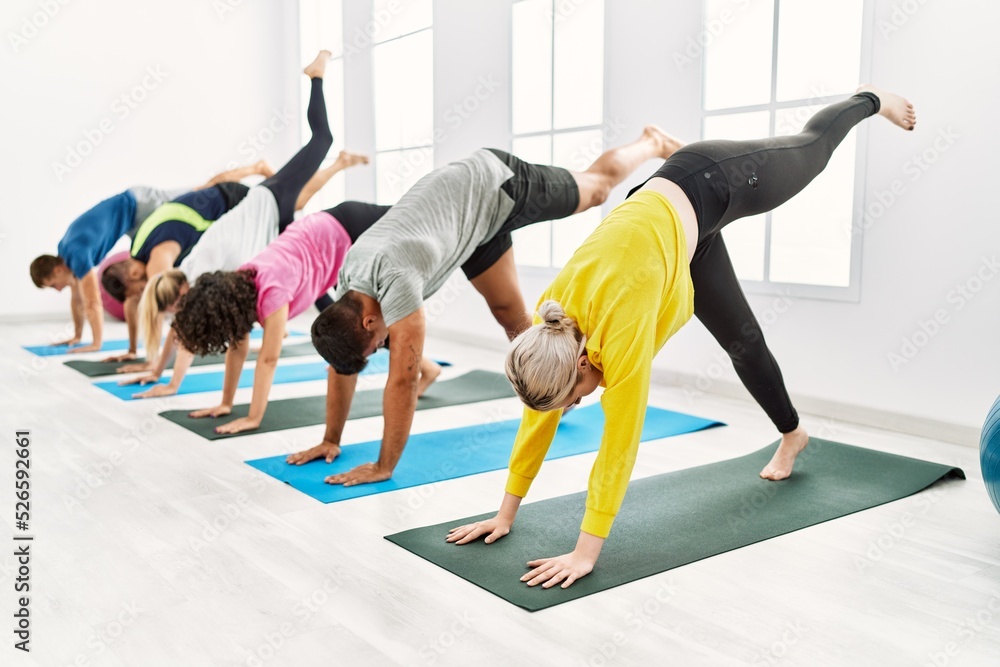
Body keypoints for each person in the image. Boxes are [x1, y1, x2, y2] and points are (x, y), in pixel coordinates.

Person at [445, 86, 916, 590]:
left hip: (715, 179)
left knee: (812, 147)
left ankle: (872, 99)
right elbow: (538, 417)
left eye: (576, 398)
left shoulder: (619, 332)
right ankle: (794, 434)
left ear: (582, 364)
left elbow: (619, 448)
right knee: (744, 343)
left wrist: (585, 553)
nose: (578, 404)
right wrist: (505, 513)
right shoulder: (551, 328)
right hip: (674, 234)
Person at [293, 126, 685, 485]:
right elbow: (342, 364)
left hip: (495, 183)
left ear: (367, 321)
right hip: (468, 228)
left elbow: (403, 380)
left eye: (376, 342)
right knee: (513, 319)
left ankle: (652, 142)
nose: (383, 344)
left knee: (596, 190)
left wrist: (384, 467)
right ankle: (558, 390)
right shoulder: (349, 290)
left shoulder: (395, 282)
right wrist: (331, 440)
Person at [102, 50, 340, 367]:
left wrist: (161, 371)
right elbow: (170, 321)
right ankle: (339, 325)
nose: (175, 314)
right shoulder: (166, 260)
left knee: (322, 140)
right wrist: (152, 364)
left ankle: (316, 75)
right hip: (253, 209)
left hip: (256, 201)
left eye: (139, 289)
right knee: (316, 269)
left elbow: (177, 321)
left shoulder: (176, 264)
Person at [170, 202, 441, 434]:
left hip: (349, 227)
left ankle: (421, 367)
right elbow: (237, 348)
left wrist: (253, 418)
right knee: (361, 316)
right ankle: (427, 367)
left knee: (375, 311)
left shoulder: (271, 294)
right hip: (322, 234)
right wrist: (226, 403)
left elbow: (268, 359)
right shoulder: (238, 289)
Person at [28, 162, 274, 355]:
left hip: (140, 206)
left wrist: (96, 343)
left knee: (204, 190)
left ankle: (256, 169)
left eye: (53, 284)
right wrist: (78, 335)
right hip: (134, 218)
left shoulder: (78, 254)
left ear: (57, 270)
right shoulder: (67, 250)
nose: (58, 289)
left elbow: (91, 301)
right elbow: (78, 298)